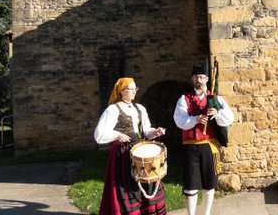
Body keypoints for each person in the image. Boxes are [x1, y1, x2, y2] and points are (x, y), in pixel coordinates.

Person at [95, 77, 167, 215]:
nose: (134, 92)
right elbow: (99, 134)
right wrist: (117, 135)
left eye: (135, 89)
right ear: (121, 91)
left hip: (140, 150)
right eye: (131, 89)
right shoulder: (112, 110)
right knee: (127, 187)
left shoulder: (140, 108)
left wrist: (155, 132)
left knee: (147, 182)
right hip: (123, 154)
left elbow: (145, 130)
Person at [173, 59, 235, 215]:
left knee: (209, 182)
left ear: (207, 79)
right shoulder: (184, 99)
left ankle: (206, 213)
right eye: (195, 78)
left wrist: (217, 113)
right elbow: (179, 121)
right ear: (192, 80)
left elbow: (229, 118)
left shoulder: (215, 98)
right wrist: (195, 119)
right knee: (191, 183)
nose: (198, 80)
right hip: (190, 145)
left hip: (209, 145)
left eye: (201, 77)